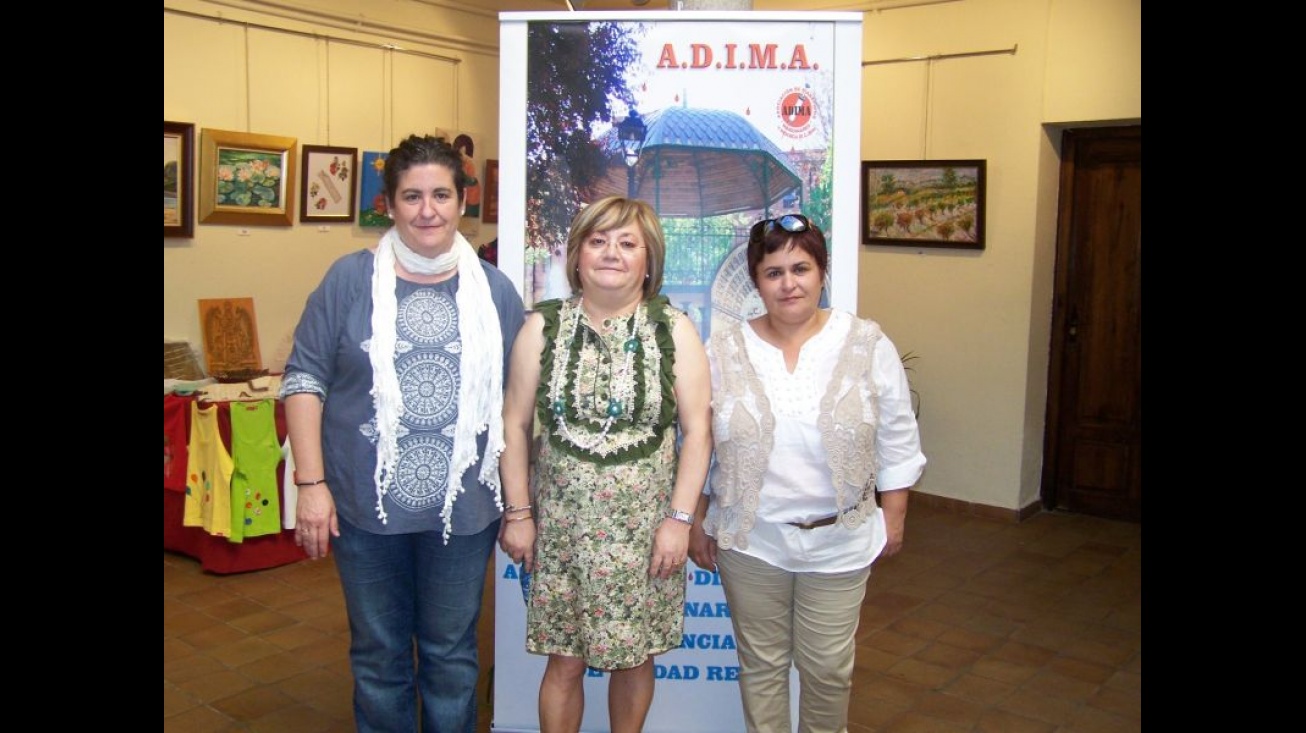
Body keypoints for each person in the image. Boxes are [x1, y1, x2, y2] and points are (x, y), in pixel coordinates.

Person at [279, 133, 525, 733]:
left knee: (450, 658)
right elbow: (303, 379)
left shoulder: (494, 291)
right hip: (365, 511)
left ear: (462, 201)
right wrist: (311, 484)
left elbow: (518, 406)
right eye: (411, 196)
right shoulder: (347, 281)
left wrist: (522, 505)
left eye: (441, 194)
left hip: (463, 512)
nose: (428, 210)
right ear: (388, 204)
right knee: (379, 658)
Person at [687, 213, 926, 733]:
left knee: (828, 671)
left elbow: (897, 434)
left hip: (839, 540)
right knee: (762, 667)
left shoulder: (865, 343)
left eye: (801, 268)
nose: (788, 283)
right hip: (751, 541)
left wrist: (895, 515)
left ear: (821, 273)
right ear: (757, 281)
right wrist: (697, 516)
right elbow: (698, 440)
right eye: (773, 272)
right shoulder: (724, 350)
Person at [498, 196, 713, 733]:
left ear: (648, 260)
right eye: (597, 241)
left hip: (645, 535)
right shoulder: (541, 329)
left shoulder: (674, 330)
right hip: (564, 532)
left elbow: (699, 432)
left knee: (634, 655)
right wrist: (518, 512)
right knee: (564, 661)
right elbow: (514, 426)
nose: (611, 253)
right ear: (576, 256)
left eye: (627, 243)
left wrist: (679, 522)